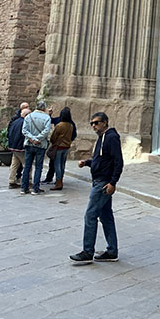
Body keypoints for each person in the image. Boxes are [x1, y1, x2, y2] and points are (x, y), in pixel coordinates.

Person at [69, 112, 123, 264]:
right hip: (100, 180)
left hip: (103, 183)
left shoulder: (111, 138)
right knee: (106, 217)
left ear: (105, 123)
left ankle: (87, 251)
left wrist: (113, 182)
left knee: (90, 215)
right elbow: (102, 160)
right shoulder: (102, 138)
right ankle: (112, 251)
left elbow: (118, 162)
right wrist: (87, 162)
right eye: (91, 123)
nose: (93, 125)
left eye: (96, 123)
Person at [20, 100, 51, 195]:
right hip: (40, 145)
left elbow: (24, 130)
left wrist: (32, 139)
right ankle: (35, 188)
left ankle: (24, 188)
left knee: (27, 167)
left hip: (29, 144)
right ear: (44, 108)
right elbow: (46, 131)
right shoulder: (47, 118)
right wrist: (38, 139)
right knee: (38, 167)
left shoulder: (29, 116)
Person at [42, 106, 77, 184]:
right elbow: (74, 135)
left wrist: (53, 142)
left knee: (56, 164)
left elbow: (54, 136)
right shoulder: (71, 125)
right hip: (66, 146)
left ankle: (58, 181)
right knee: (62, 164)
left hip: (58, 146)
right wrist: (68, 141)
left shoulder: (59, 124)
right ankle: (60, 178)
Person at [7, 107, 31, 189]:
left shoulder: (15, 122)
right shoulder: (24, 123)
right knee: (27, 164)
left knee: (14, 164)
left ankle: (11, 180)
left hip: (13, 146)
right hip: (20, 147)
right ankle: (28, 181)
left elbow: (9, 132)